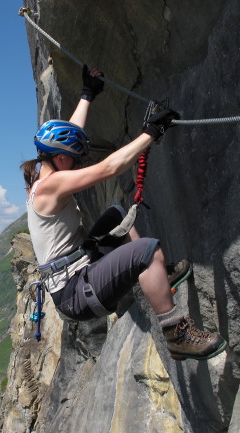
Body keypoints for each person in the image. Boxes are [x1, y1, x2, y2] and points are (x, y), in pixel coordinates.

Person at [20, 65, 227, 360]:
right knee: (147, 251)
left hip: (76, 272)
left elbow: (69, 135)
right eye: (75, 160)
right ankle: (176, 334)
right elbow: (109, 168)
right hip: (75, 293)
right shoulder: (53, 185)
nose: (77, 164)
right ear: (62, 158)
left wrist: (87, 94)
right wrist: (150, 134)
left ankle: (159, 279)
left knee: (116, 215)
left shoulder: (41, 174)